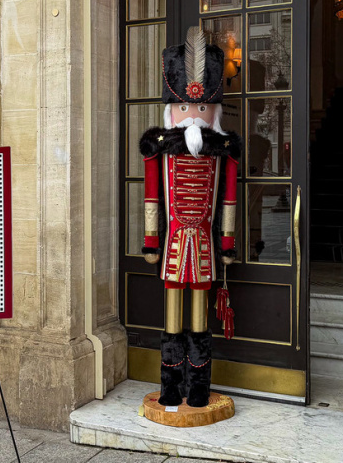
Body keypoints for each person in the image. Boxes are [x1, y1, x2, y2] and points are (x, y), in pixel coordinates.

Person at [140, 27, 241, 409]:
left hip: (202, 248)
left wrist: (226, 245)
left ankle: (198, 385)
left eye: (200, 109)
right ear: (172, 111)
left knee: (200, 317)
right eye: (184, 109)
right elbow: (152, 198)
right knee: (171, 316)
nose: (193, 117)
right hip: (172, 246)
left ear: (213, 112)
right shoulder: (159, 150)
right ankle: (170, 385)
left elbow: (228, 201)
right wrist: (151, 241)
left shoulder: (223, 152)